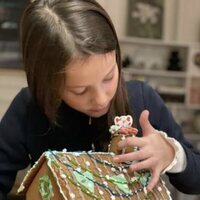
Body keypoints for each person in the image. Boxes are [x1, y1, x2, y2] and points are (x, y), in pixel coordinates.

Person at [0, 0, 200, 199]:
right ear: (47, 83)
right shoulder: (28, 108)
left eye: (109, 77)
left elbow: (196, 178)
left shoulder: (142, 99)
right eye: (79, 91)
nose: (101, 99)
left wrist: (172, 154)